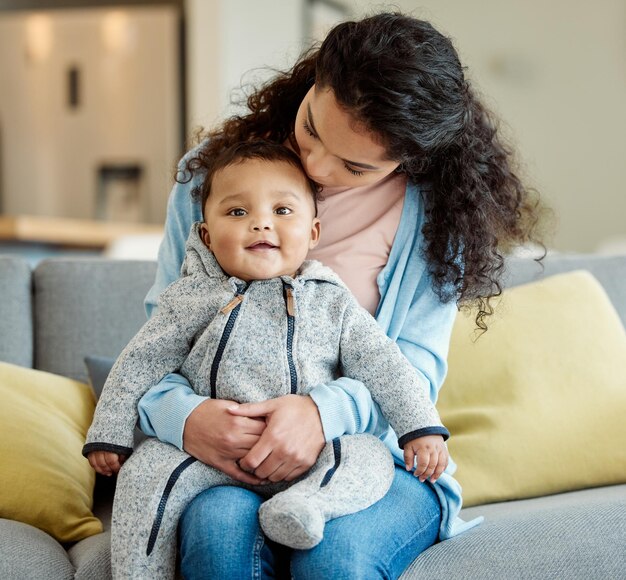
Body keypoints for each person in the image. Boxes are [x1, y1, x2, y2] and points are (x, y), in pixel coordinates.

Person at [136, 12, 544, 580]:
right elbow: (159, 336)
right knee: (217, 532)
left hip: (372, 458)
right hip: (232, 462)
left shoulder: (436, 216)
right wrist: (188, 418)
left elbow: (414, 370)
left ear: (409, 159)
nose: (315, 166)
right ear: (309, 83)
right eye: (310, 127)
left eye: (355, 165)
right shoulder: (212, 175)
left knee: (333, 556)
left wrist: (321, 414)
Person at [83, 140, 451, 577]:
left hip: (317, 459)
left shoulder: (331, 299)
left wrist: (420, 427)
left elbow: (383, 362)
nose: (260, 224)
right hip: (213, 460)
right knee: (144, 473)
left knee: (367, 457)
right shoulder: (190, 297)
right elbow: (140, 361)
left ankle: (305, 507)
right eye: (238, 213)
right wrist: (109, 432)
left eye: (282, 211)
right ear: (205, 234)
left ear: (314, 233)